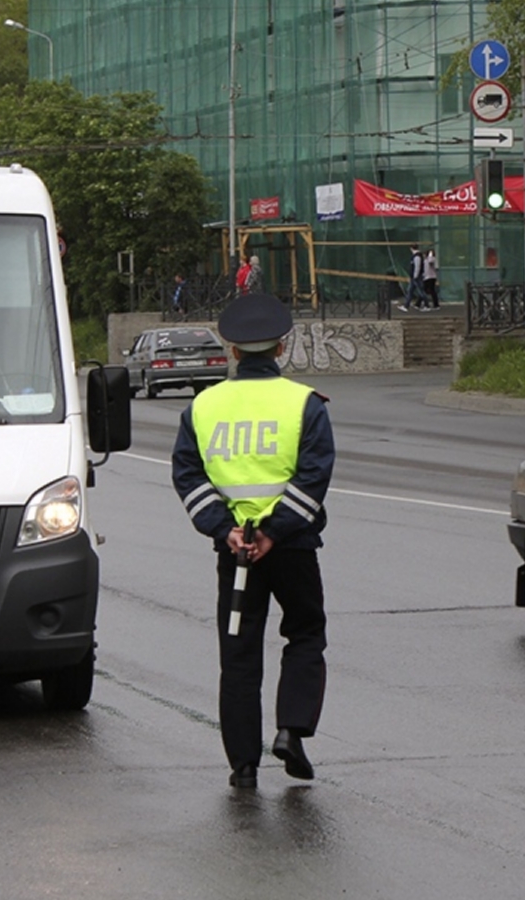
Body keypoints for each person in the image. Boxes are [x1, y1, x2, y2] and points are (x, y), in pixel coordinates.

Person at [170, 292, 335, 790]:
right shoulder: (304, 403)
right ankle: (291, 730)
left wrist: (227, 530)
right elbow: (313, 478)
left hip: (235, 553)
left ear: (233, 351)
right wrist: (274, 532)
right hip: (292, 549)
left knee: (239, 654)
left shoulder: (203, 407)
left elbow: (188, 476)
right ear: (281, 348)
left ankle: (243, 764)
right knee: (304, 633)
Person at [399, 244, 425, 311]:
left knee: (421, 292)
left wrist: (415, 276)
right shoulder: (417, 256)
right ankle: (406, 306)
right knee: (410, 291)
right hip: (415, 277)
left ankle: (426, 305)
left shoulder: (417, 256)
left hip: (416, 277)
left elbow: (417, 267)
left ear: (411, 248)